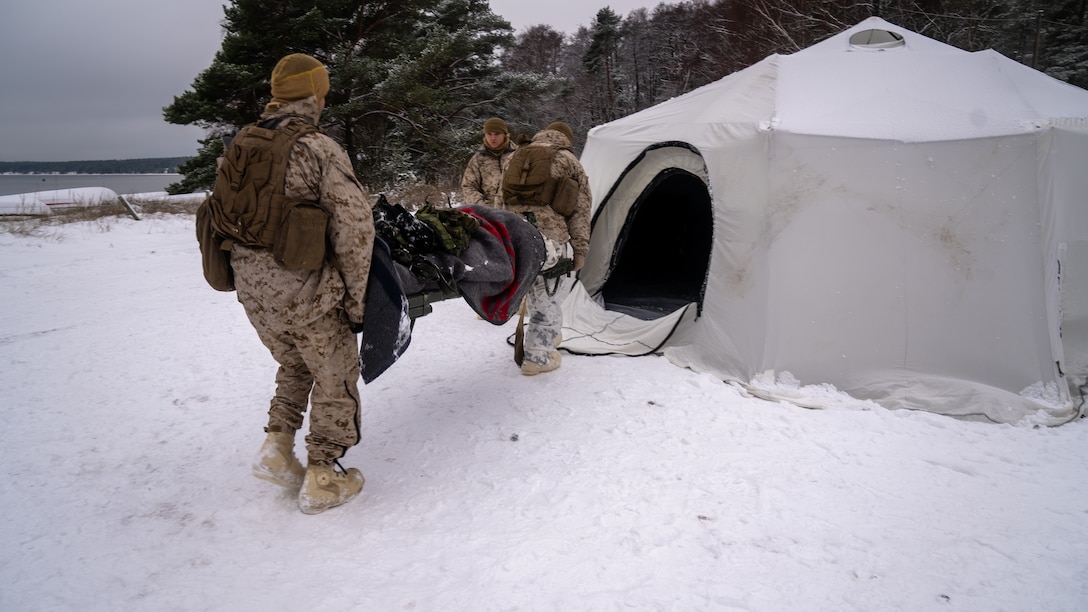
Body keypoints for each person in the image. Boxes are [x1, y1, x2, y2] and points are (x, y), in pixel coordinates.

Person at [227, 53, 374, 514]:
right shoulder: (316, 147)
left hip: (254, 291)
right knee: (335, 377)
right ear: (316, 94)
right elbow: (354, 228)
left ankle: (276, 447)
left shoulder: (242, 144)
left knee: (295, 365)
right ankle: (324, 475)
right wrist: (356, 298)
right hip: (305, 289)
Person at [503, 121, 591, 375]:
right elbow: (580, 212)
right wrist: (581, 249)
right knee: (550, 295)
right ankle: (538, 356)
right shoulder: (568, 161)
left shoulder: (516, 156)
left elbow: (500, 199)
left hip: (514, 236)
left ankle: (546, 338)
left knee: (534, 291)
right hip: (551, 240)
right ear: (567, 139)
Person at [460, 117, 518, 208]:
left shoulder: (519, 155)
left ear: (505, 134)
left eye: (497, 134)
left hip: (516, 212)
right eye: (489, 134)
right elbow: (468, 186)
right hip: (490, 213)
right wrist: (482, 205)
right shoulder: (478, 159)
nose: (493, 138)